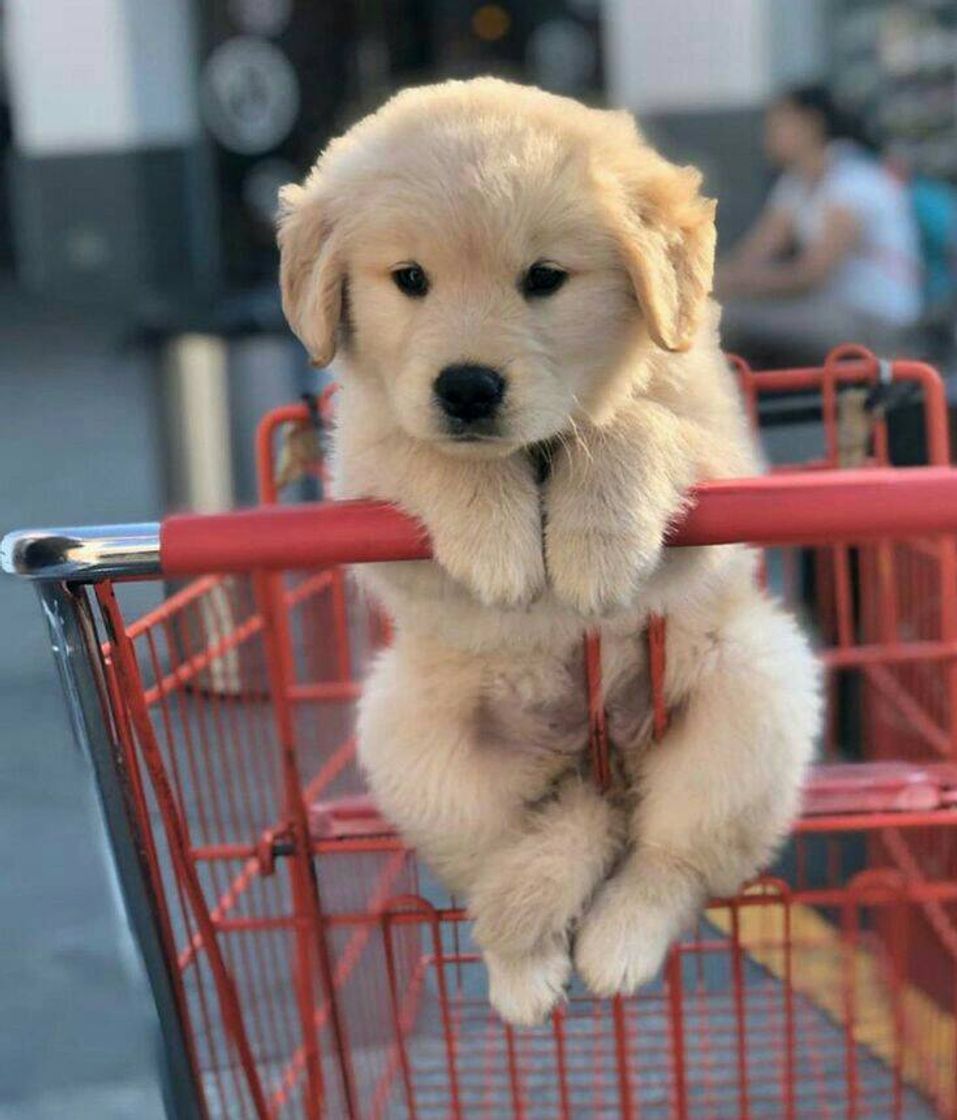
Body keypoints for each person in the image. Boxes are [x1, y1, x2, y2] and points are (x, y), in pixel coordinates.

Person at [717, 85, 921, 366]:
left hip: (872, 320)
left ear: (809, 125)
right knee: (715, 315)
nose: (768, 136)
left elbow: (811, 275)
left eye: (777, 125)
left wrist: (721, 285)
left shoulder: (853, 179)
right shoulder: (795, 183)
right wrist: (711, 281)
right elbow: (752, 256)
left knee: (727, 320)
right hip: (826, 312)